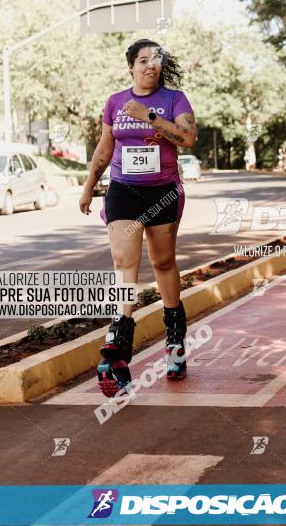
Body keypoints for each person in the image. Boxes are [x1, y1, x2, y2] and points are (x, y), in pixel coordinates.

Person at [79, 39, 197, 398]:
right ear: (130, 65)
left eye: (156, 61)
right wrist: (88, 187)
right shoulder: (115, 102)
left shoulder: (174, 99)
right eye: (143, 60)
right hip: (123, 190)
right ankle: (118, 346)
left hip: (163, 191)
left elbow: (188, 138)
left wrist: (149, 116)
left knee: (162, 262)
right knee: (123, 261)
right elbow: (105, 146)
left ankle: (175, 342)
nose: (150, 66)